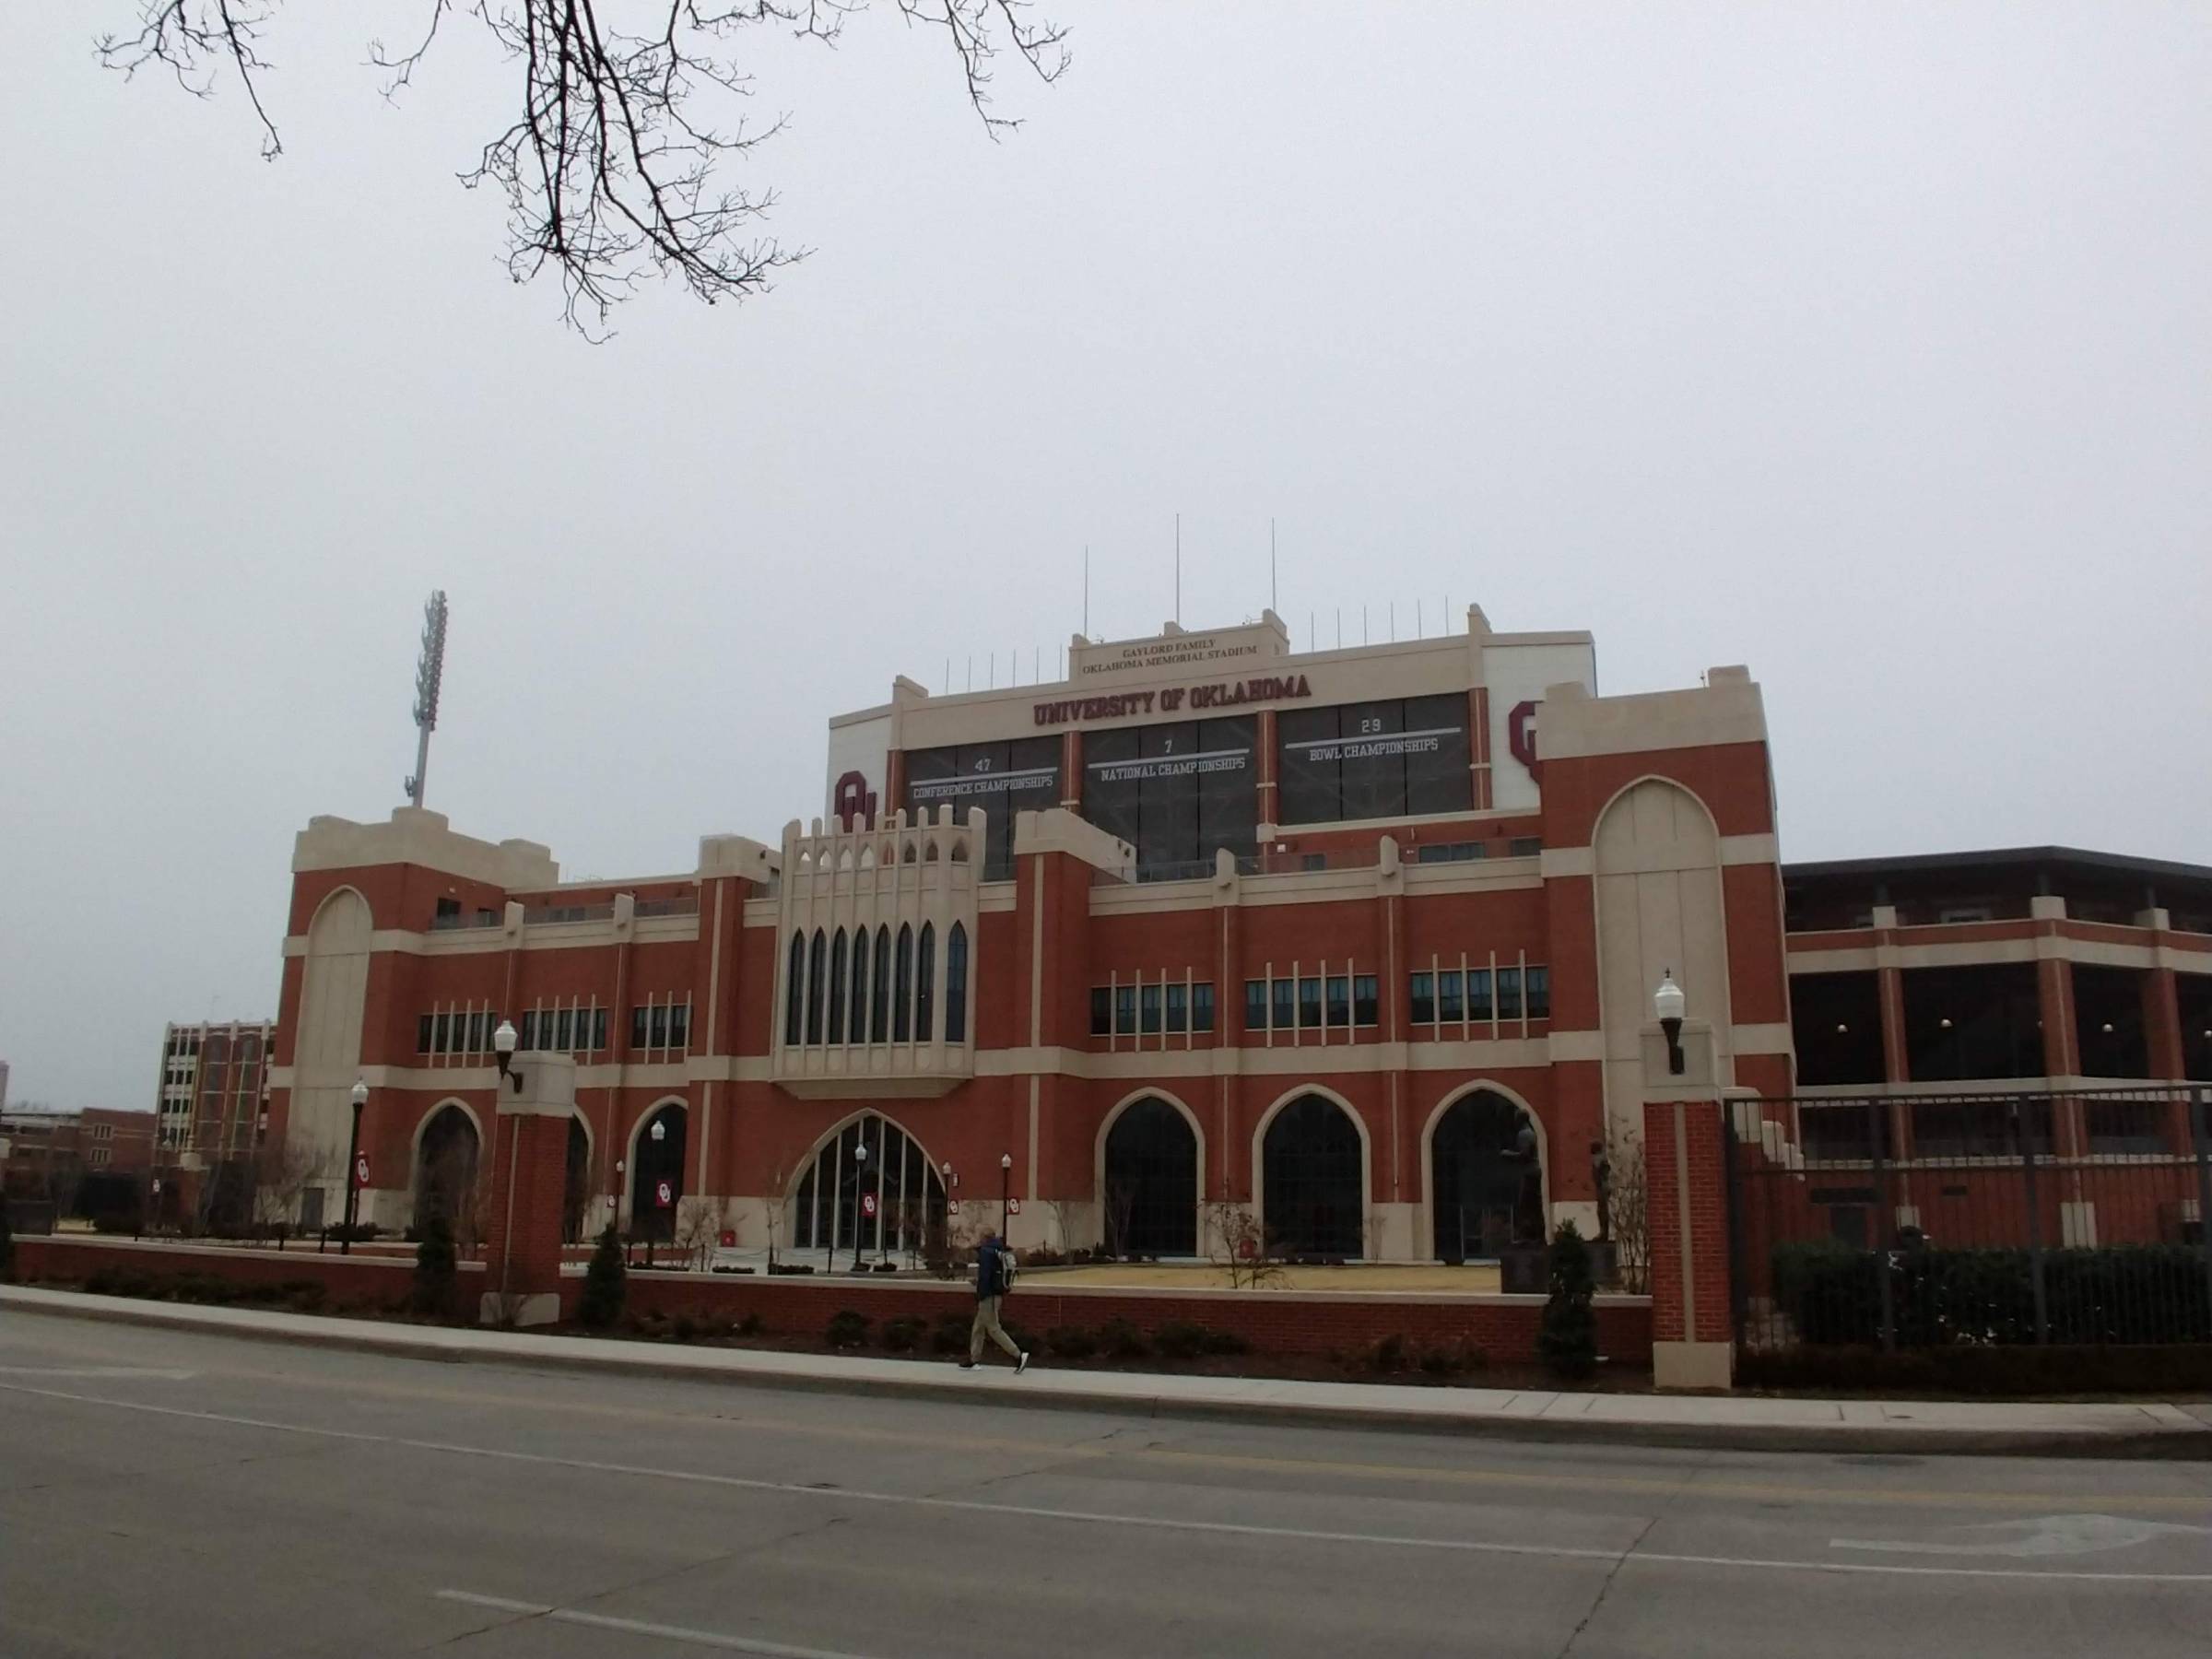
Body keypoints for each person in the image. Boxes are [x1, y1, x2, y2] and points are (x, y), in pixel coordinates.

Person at [961, 1230, 1030, 1373]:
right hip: (996, 1294)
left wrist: (981, 1293)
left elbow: (986, 1276)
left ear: (984, 1238)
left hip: (989, 1296)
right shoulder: (999, 1250)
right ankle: (974, 1359)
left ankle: (1018, 1355)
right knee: (978, 1327)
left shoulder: (987, 1252)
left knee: (993, 1328)